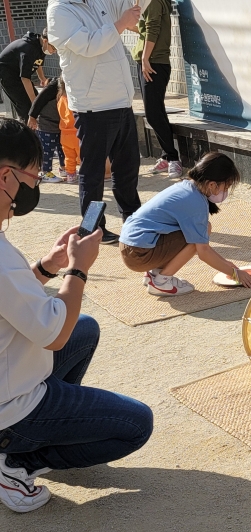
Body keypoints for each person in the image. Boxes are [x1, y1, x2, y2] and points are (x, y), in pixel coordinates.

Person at [0, 119, 153, 514]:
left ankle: (32, 437)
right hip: (9, 404)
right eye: (32, 177)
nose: (33, 188)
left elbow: (11, 299)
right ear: (6, 177)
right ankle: (16, 460)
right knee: (136, 424)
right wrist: (77, 269)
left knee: (84, 329)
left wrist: (47, 268)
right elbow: (54, 334)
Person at [47, 0, 144, 245]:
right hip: (93, 107)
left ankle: (133, 219)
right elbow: (89, 45)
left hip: (121, 101)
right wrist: (121, 24)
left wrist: (128, 15)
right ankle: (91, 228)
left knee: (128, 168)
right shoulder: (60, 11)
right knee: (93, 174)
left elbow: (129, 5)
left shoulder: (97, 1)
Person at [119, 152, 251, 296]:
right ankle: (161, 282)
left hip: (131, 247)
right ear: (212, 184)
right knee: (200, 235)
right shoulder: (195, 202)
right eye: (226, 187)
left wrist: (226, 264)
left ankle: (155, 274)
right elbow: (203, 252)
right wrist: (235, 274)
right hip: (139, 255)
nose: (225, 191)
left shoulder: (187, 187)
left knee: (201, 230)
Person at [133, 0, 183, 179]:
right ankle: (166, 155)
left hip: (153, 63)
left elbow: (153, 29)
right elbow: (145, 30)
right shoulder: (149, 3)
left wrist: (146, 59)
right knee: (157, 112)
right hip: (148, 62)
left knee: (153, 113)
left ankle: (173, 158)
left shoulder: (153, 1)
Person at [0, 29, 55, 123]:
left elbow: (38, 63)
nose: (55, 51)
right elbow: (25, 78)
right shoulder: (28, 49)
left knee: (37, 100)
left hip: (20, 75)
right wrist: (34, 106)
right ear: (46, 41)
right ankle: (26, 130)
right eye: (54, 48)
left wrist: (43, 79)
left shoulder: (41, 46)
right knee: (26, 107)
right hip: (8, 75)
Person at [27, 77, 65, 183]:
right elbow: (39, 100)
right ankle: (45, 172)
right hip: (46, 125)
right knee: (47, 150)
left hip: (60, 126)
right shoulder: (55, 87)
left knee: (62, 148)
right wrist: (32, 116)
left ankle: (64, 168)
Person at [56, 76, 81, 184]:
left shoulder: (60, 99)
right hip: (76, 132)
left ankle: (71, 175)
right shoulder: (75, 98)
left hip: (64, 134)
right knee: (82, 156)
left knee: (69, 157)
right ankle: (85, 173)